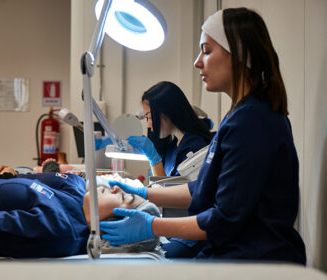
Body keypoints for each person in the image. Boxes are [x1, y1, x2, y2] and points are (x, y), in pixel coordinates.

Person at [100, 8, 306, 264]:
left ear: (239, 54)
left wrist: (152, 225)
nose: (197, 62)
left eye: (207, 51)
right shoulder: (240, 116)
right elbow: (205, 188)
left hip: (255, 260)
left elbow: (223, 219)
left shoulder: (253, 121)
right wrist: (145, 193)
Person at [0, 162, 159, 258]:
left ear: (117, 225)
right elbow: (36, 178)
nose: (116, 188)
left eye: (125, 198)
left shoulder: (58, 230)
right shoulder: (75, 194)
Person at [128, 81, 213, 176]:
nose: (148, 125)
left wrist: (153, 158)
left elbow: (169, 190)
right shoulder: (173, 146)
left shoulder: (194, 147)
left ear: (168, 112)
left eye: (150, 117)